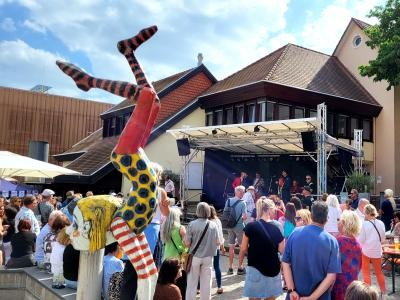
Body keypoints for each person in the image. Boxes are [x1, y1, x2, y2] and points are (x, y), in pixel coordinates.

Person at [282, 201, 341, 300]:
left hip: (295, 296)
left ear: (311, 216)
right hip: (321, 297)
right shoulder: (332, 241)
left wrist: (291, 290)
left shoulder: (295, 233)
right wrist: (312, 297)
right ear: (327, 219)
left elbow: (285, 263)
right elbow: (331, 276)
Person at [239, 197, 285, 299]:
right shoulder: (277, 227)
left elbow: (243, 248)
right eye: (273, 209)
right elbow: (282, 250)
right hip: (272, 268)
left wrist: (254, 252)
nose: (275, 211)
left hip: (254, 266)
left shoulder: (250, 226)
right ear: (268, 210)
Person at [184, 202, 219, 300]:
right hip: (208, 257)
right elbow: (218, 241)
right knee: (206, 283)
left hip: (195, 256)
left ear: (197, 211)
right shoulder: (213, 225)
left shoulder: (192, 224)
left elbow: (187, 243)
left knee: (191, 283)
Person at [332, 211, 362, 300]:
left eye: (339, 220)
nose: (338, 222)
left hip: (338, 285)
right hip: (352, 286)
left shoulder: (338, 242)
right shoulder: (357, 243)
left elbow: (331, 266)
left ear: (344, 223)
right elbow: (358, 267)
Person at [358, 204, 386, 295]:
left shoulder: (364, 224)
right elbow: (383, 239)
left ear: (366, 213)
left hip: (366, 251)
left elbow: (361, 240)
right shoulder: (381, 223)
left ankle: (368, 294)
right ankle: (384, 292)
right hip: (377, 251)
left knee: (366, 273)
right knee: (379, 273)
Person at [224, 185, 246, 275]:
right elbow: (244, 217)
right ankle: (240, 268)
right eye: (243, 192)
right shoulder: (242, 203)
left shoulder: (228, 200)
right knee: (242, 247)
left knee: (231, 246)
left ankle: (230, 268)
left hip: (229, 226)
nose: (243, 193)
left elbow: (225, 213)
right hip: (239, 227)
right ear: (241, 192)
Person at [210, 205, 225, 294]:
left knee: (203, 267)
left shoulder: (206, 221)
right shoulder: (217, 221)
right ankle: (219, 286)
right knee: (216, 266)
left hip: (206, 247)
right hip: (216, 247)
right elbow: (220, 235)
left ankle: (199, 288)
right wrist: (222, 247)